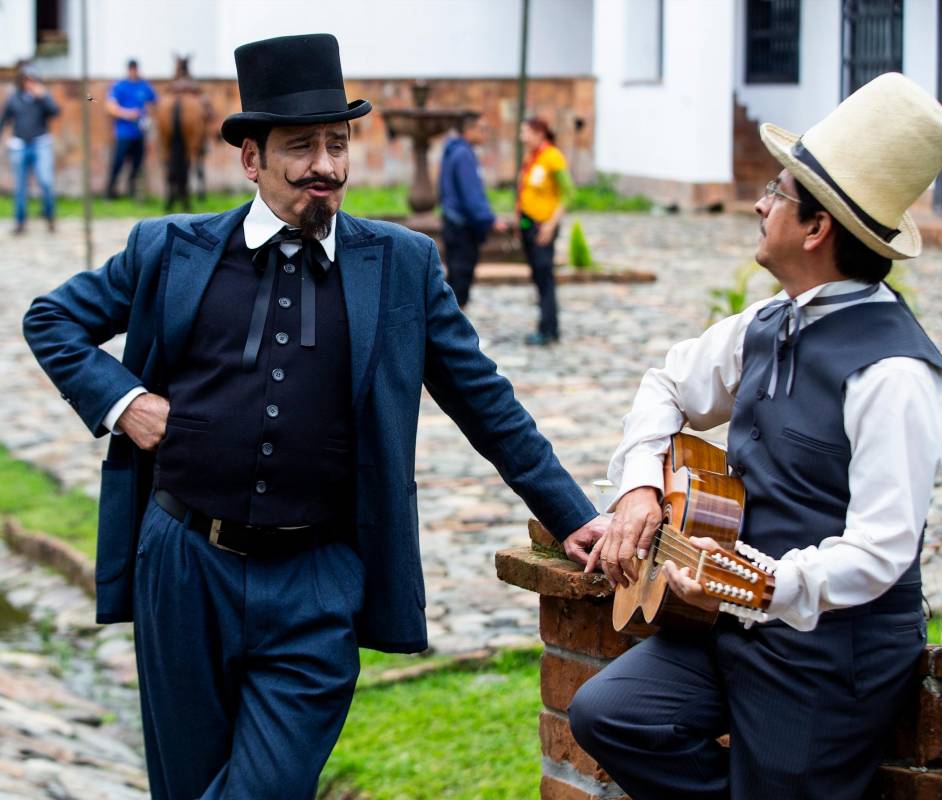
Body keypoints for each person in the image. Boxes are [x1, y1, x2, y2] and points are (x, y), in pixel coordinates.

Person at [23, 34, 604, 800]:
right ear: (251, 159)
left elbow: (484, 399)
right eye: (301, 147)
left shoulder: (401, 265)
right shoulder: (171, 249)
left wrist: (572, 516)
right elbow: (52, 320)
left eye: (337, 144)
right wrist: (126, 403)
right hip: (184, 565)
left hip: (318, 581)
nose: (325, 166)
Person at [568, 73, 942, 800]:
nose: (759, 203)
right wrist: (639, 489)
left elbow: (881, 551)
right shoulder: (767, 322)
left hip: (830, 657)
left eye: (777, 193)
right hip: (728, 629)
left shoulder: (898, 375)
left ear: (815, 228)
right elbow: (665, 384)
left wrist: (765, 583)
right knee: (610, 714)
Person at [438, 114, 506, 307]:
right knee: (461, 279)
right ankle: (454, 331)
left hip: (452, 222)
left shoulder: (452, 150)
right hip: (462, 227)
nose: (485, 134)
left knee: (454, 276)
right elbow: (471, 194)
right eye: (482, 129)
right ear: (469, 130)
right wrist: (490, 219)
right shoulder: (464, 154)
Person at [517, 117, 573, 346]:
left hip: (543, 226)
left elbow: (568, 193)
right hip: (528, 223)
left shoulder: (552, 157)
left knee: (545, 277)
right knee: (538, 278)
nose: (522, 136)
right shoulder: (532, 156)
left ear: (540, 133)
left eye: (526, 131)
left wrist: (551, 224)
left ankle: (550, 329)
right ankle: (544, 325)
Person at [1, 64, 59, 234]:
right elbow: (4, 120)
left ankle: (49, 216)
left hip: (41, 143)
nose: (29, 83)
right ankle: (20, 221)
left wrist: (44, 97)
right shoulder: (14, 98)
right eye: (26, 80)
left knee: (46, 181)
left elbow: (55, 112)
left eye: (32, 80)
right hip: (20, 145)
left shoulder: (43, 97)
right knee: (20, 186)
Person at [105, 59, 157, 199]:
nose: (133, 71)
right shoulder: (120, 86)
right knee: (118, 163)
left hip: (139, 133)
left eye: (135, 69)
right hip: (124, 133)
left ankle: (132, 192)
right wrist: (128, 114)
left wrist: (149, 118)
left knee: (137, 165)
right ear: (128, 70)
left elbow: (155, 104)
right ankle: (110, 191)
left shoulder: (144, 86)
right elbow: (110, 107)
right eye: (131, 69)